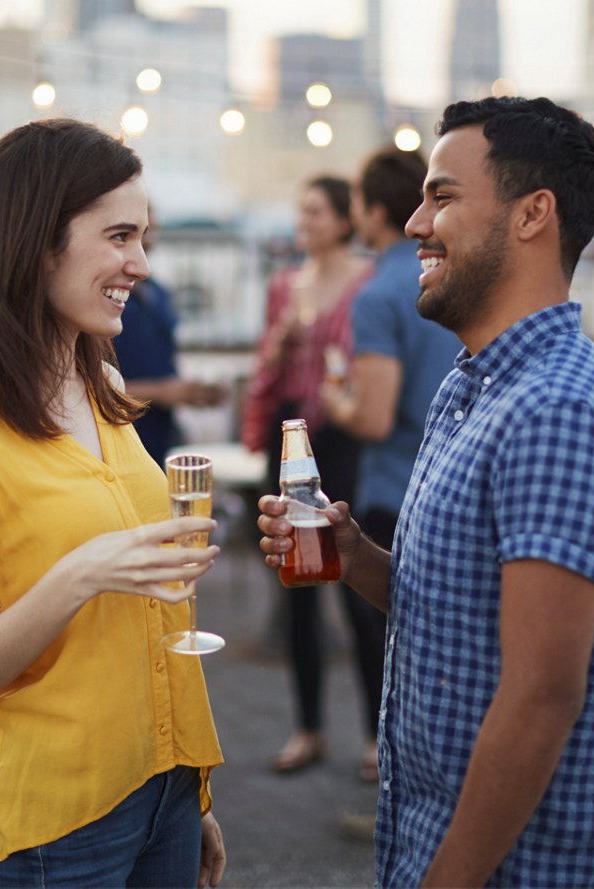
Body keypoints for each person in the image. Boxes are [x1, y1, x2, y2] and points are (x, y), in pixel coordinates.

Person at [258, 96, 594, 888]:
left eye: (441, 196)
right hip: (428, 842)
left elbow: (542, 695)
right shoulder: (471, 387)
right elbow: (452, 610)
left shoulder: (556, 410)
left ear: (532, 214)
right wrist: (354, 556)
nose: (412, 224)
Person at [0, 118, 227, 889]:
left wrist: (191, 797)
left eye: (142, 237)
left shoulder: (105, 387)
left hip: (167, 786)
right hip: (56, 825)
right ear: (37, 240)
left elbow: (148, 619)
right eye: (118, 236)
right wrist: (79, 575)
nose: (139, 264)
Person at [320, 147, 463, 787]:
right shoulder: (456, 279)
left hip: (390, 488)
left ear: (376, 212)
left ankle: (389, 762)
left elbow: (374, 417)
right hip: (447, 482)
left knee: (387, 645)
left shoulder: (379, 292)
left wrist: (333, 400)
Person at [240, 176, 373, 774]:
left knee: (355, 584)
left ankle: (375, 735)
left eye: (316, 211)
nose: (306, 221)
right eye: (302, 210)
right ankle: (308, 728)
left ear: (345, 219)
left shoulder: (364, 285)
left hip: (342, 442)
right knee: (294, 583)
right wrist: (283, 340)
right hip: (289, 440)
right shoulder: (281, 287)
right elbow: (264, 365)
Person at [111, 209, 225, 467]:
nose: (146, 240)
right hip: (121, 436)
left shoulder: (158, 292)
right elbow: (89, 386)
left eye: (148, 229)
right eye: (126, 234)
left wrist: (191, 392)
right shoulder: (103, 300)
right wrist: (161, 392)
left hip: (159, 436)